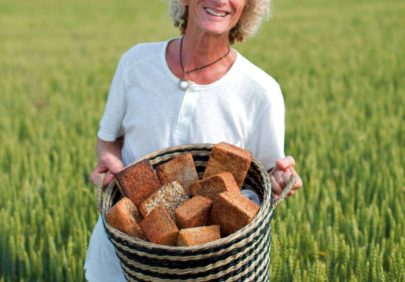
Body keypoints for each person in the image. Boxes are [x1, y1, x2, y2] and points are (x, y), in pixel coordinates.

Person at [84, 0, 302, 280]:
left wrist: (281, 180)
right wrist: (111, 161)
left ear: (247, 6)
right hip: (124, 259)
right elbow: (108, 140)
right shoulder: (136, 64)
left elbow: (265, 179)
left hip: (211, 269)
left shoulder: (260, 92)